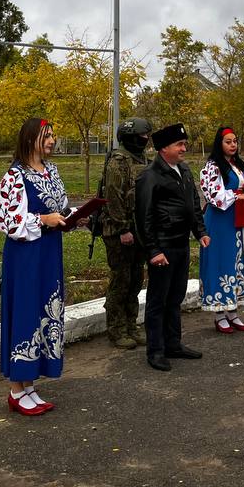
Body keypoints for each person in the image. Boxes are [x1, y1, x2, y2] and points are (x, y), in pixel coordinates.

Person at [0, 118, 81, 416]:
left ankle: (29, 385)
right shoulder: (15, 176)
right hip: (25, 256)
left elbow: (59, 206)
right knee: (26, 312)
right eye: (47, 135)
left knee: (47, 311)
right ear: (31, 138)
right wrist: (43, 220)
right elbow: (6, 220)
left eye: (53, 135)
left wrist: (72, 217)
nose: (52, 140)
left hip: (49, 252)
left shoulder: (52, 170)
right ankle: (16, 390)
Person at [134, 123, 210, 371]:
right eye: (180, 144)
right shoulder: (150, 176)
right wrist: (153, 251)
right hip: (163, 246)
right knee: (158, 300)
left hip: (181, 244)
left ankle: (173, 344)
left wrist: (200, 232)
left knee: (175, 297)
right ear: (163, 148)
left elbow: (193, 204)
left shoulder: (184, 171)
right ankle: (155, 351)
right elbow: (144, 217)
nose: (184, 148)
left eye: (185, 144)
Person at [198, 126, 244, 332]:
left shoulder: (241, 166)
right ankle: (219, 314)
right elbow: (213, 195)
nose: (233, 145)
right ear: (220, 143)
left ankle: (233, 312)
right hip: (220, 222)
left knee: (240, 263)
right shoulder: (212, 167)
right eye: (228, 141)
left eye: (235, 141)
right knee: (222, 261)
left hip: (242, 220)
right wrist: (237, 194)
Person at [100, 117, 151, 350]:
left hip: (138, 229)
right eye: (141, 136)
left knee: (135, 280)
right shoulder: (118, 161)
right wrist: (123, 228)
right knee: (121, 281)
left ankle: (131, 324)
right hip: (120, 231)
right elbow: (113, 197)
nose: (145, 139)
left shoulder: (142, 159)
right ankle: (116, 329)